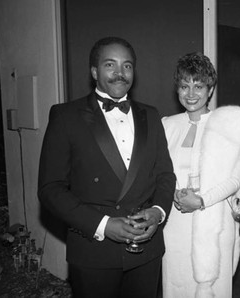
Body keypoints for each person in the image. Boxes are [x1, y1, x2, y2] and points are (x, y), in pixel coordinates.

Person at [38, 37, 175, 297]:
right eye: (110, 65)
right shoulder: (66, 115)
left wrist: (158, 212)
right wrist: (103, 225)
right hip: (93, 251)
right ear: (94, 71)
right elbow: (50, 189)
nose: (120, 73)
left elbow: (165, 174)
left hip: (146, 250)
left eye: (127, 66)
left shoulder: (152, 115)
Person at [161, 52, 240, 298]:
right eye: (184, 86)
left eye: (198, 86)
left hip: (214, 220)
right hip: (175, 224)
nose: (191, 94)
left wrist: (201, 200)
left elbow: (235, 179)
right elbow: (158, 172)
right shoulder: (167, 125)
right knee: (177, 287)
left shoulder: (228, 123)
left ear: (210, 90)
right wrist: (174, 194)